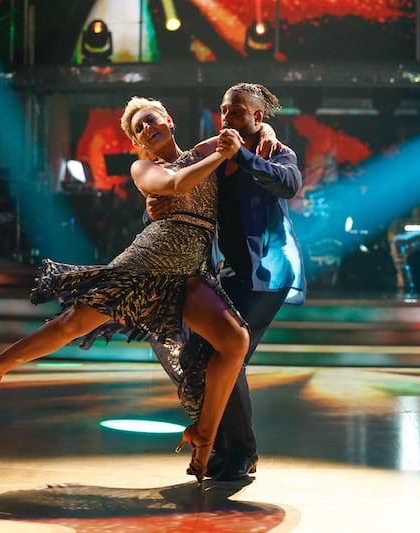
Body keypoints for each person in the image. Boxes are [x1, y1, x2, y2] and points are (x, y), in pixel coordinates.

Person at [0, 96, 257, 483]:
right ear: (138, 144)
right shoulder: (143, 168)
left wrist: (263, 135)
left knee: (235, 340)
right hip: (148, 261)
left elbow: (251, 132)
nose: (147, 128)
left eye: (150, 120)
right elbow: (177, 183)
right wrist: (220, 156)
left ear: (169, 119)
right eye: (139, 129)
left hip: (189, 272)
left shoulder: (206, 148)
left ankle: (204, 437)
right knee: (72, 323)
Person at [147, 82, 306, 481]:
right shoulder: (214, 153)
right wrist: (155, 207)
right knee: (197, 356)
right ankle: (221, 446)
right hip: (229, 272)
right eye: (224, 110)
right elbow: (179, 184)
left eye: (237, 112)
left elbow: (290, 184)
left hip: (269, 272)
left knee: (228, 357)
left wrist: (247, 154)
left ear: (258, 117)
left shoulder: (275, 152)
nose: (227, 118)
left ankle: (242, 452)